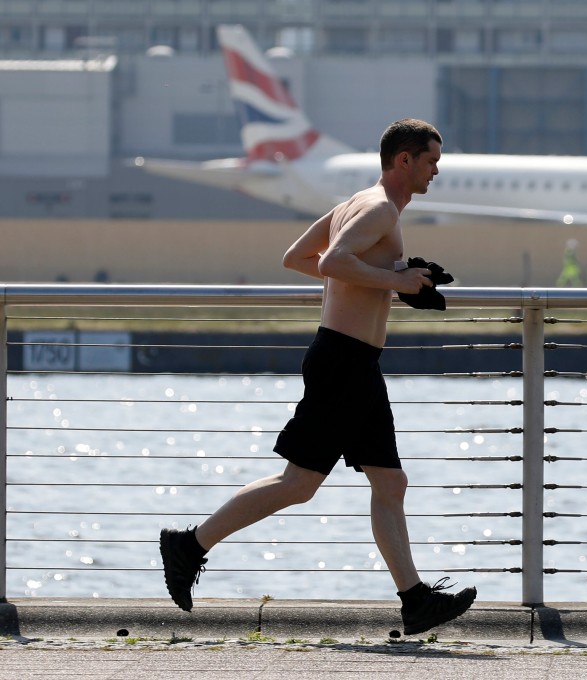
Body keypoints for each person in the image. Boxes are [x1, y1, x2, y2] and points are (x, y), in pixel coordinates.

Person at [158, 118, 476, 636]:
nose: (435, 171)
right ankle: (187, 546)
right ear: (404, 160)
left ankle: (415, 600)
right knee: (300, 483)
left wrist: (385, 281)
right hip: (343, 362)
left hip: (354, 362)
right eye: (431, 161)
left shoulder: (360, 202)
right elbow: (331, 261)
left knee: (389, 482)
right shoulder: (376, 208)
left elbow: (299, 258)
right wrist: (393, 279)